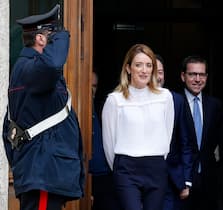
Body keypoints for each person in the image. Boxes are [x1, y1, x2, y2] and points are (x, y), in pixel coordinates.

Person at [2, 4, 85, 210]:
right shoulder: (33, 67)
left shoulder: (28, 68)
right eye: (53, 35)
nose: (57, 41)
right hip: (43, 172)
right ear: (40, 39)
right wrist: (64, 34)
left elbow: (8, 130)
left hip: (43, 171)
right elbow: (53, 63)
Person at [101, 44, 175, 210]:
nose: (144, 70)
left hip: (156, 167)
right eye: (138, 65)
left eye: (149, 65)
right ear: (128, 68)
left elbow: (167, 134)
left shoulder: (165, 97)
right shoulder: (115, 100)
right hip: (126, 168)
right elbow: (108, 143)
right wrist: (121, 167)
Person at [180, 55, 223, 210]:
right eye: (192, 74)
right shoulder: (174, 102)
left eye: (202, 74)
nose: (198, 79)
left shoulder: (215, 105)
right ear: (183, 76)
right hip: (182, 178)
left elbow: (219, 140)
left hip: (208, 178)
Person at [155, 54, 193, 210]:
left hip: (172, 180)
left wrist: (187, 180)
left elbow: (185, 142)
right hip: (143, 179)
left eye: (160, 72)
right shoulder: (132, 102)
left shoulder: (176, 100)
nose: (157, 77)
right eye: (154, 71)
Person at [89, 71, 119, 210]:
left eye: (94, 86)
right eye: (89, 85)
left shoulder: (103, 108)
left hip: (106, 174)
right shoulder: (75, 109)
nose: (91, 89)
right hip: (86, 175)